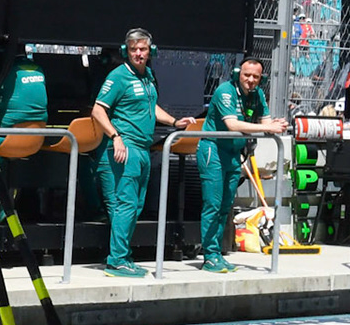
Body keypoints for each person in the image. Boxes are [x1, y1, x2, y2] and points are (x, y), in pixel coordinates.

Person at [92, 28, 194, 277]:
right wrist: (116, 137)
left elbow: (152, 107)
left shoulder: (147, 75)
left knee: (136, 206)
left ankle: (123, 256)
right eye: (134, 49)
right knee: (125, 205)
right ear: (126, 51)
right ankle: (116, 261)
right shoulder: (118, 76)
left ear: (151, 52)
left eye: (143, 49)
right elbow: (97, 110)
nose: (138, 53)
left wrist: (174, 121)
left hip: (142, 149)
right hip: (124, 148)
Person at [195, 57, 286, 273]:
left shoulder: (258, 95)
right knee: (213, 204)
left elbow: (266, 121)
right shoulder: (225, 91)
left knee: (226, 205)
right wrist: (269, 128)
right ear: (238, 74)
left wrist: (274, 125)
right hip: (213, 151)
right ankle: (210, 255)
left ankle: (217, 253)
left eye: (256, 76)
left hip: (234, 153)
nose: (251, 80)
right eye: (247, 75)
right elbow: (232, 124)